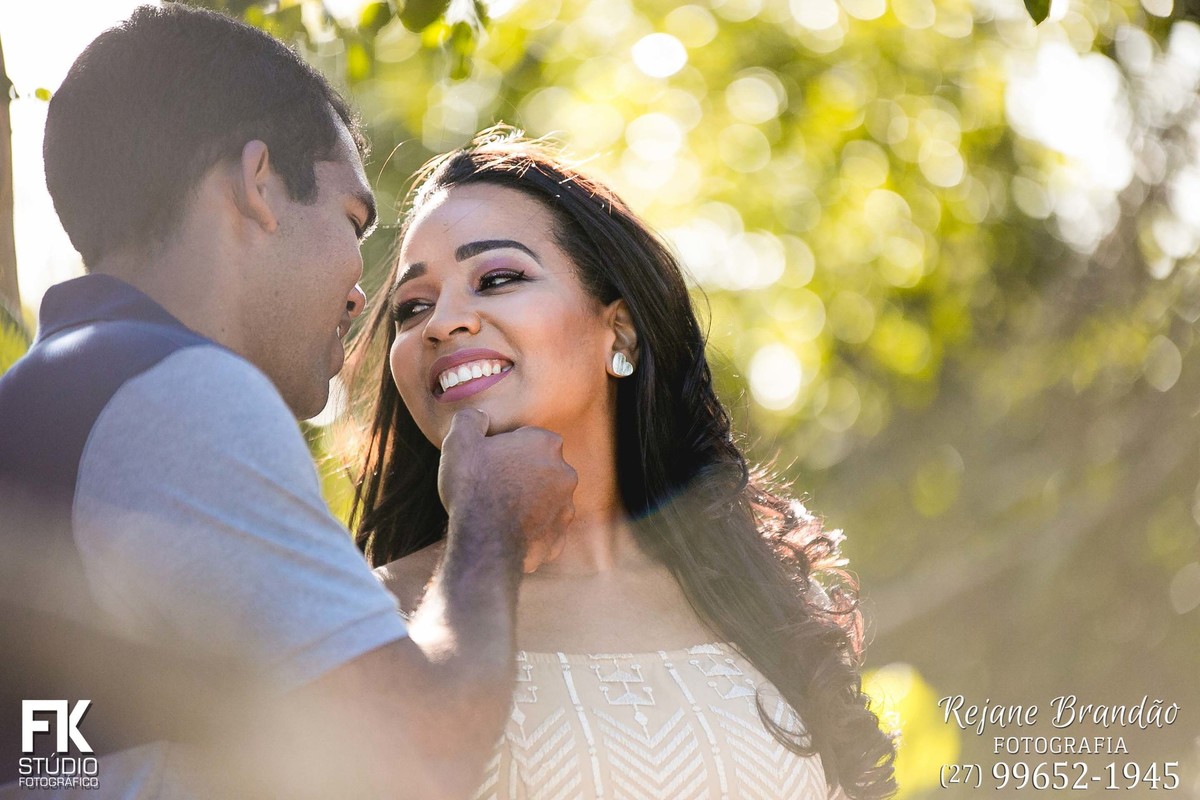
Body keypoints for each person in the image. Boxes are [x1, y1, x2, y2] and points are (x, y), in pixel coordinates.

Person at [0, 7, 575, 798]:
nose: (360, 290)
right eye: (351, 219)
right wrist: (491, 522)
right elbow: (415, 758)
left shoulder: (53, 397)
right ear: (258, 183)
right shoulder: (174, 394)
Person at [352, 128, 898, 799]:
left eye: (496, 278)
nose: (442, 322)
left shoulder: (770, 602)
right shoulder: (363, 617)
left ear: (620, 331)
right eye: (413, 307)